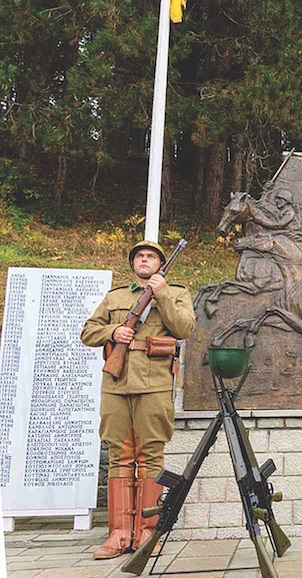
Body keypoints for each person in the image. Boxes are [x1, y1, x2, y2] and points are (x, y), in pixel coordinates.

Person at [81, 240, 196, 559]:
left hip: (155, 385)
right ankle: (118, 534)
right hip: (116, 384)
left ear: (160, 264)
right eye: (140, 256)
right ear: (133, 264)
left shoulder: (175, 292)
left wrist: (161, 295)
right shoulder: (116, 297)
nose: (145, 260)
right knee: (119, 454)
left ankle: (148, 533)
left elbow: (185, 328)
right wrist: (114, 332)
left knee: (151, 456)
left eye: (151, 256)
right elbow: (88, 331)